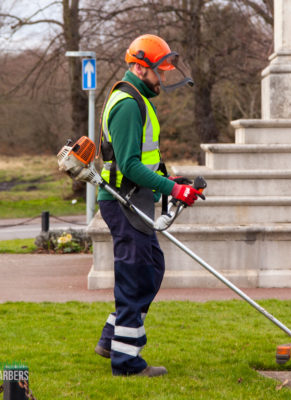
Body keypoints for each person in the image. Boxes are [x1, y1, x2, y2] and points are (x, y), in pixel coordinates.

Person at [94, 34, 202, 377]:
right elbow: (129, 165)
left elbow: (148, 159)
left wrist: (175, 185)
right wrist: (171, 188)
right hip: (123, 201)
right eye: (160, 70)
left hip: (134, 200)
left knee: (151, 269)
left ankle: (112, 337)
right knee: (135, 276)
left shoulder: (138, 98)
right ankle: (126, 362)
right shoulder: (128, 104)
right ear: (140, 68)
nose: (164, 77)